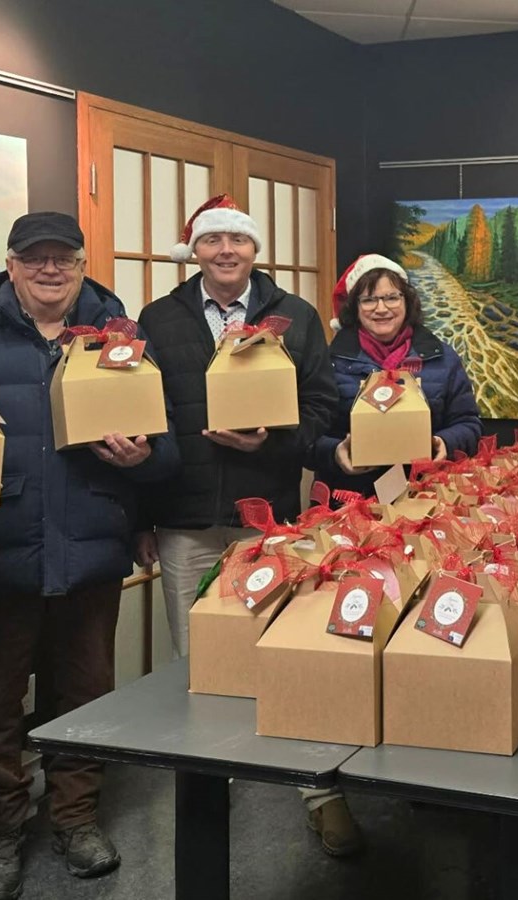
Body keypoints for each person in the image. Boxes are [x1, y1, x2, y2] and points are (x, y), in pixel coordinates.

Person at [0, 212, 180, 900]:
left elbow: (169, 455)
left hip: (90, 551)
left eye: (63, 258)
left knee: (84, 697)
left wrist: (141, 459)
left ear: (81, 266)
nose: (50, 269)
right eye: (34, 257)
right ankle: (2, 833)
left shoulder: (121, 340)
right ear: (10, 266)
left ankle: (75, 818)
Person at [137, 195, 356, 854]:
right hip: (185, 516)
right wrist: (141, 517)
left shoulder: (295, 316)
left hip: (268, 516)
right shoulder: (159, 318)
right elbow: (145, 416)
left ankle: (317, 788)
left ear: (255, 250)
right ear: (195, 251)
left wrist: (274, 440)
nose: (226, 251)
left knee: (289, 648)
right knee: (197, 658)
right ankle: (210, 779)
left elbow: (322, 404)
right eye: (213, 240)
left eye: (238, 240)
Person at [309, 254, 481, 494]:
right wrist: (335, 452)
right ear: (355, 307)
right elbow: (307, 435)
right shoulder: (330, 361)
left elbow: (469, 423)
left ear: (407, 301)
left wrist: (445, 444)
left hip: (426, 495)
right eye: (369, 300)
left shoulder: (441, 358)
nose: (381, 309)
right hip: (349, 498)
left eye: (391, 298)